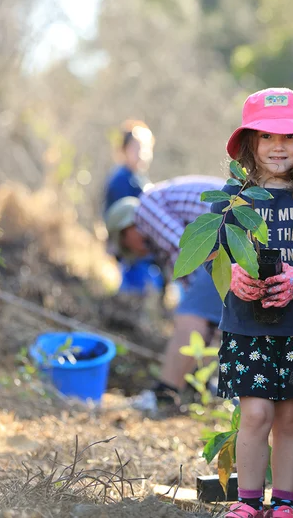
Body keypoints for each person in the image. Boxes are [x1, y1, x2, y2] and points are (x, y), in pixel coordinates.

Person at [213, 87, 293, 518]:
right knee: (254, 415)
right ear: (250, 143)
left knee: (289, 418)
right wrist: (234, 271)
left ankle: (284, 504)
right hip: (246, 324)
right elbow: (218, 249)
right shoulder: (236, 196)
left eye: (288, 137)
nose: (278, 146)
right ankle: (248, 503)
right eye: (267, 137)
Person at [104, 175, 225, 407]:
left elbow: (187, 249)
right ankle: (198, 388)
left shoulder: (145, 209)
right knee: (210, 321)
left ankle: (163, 396)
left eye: (126, 244)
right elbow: (191, 277)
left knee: (192, 315)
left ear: (127, 228)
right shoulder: (161, 207)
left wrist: (188, 313)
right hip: (241, 232)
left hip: (227, 232)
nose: (133, 251)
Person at [104, 120, 162, 294]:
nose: (142, 154)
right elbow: (124, 223)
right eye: (137, 148)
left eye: (146, 148)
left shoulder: (141, 180)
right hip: (131, 254)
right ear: (125, 149)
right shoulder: (122, 179)